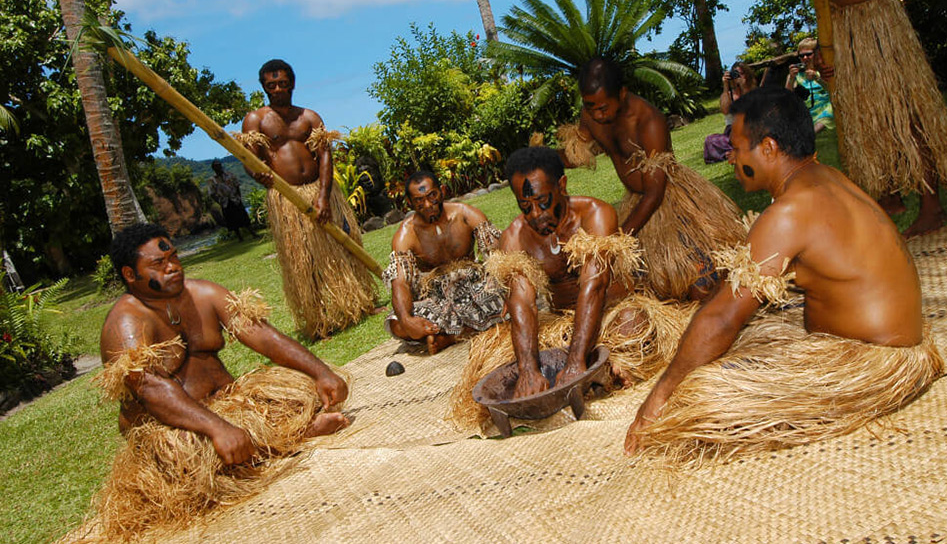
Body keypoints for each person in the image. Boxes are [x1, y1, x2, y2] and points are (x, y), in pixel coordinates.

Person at [624, 87, 942, 461]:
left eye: (738, 147)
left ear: (769, 149)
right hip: (898, 343)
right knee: (741, 340)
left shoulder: (789, 213)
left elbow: (724, 317)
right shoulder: (826, 177)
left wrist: (658, 398)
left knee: (699, 396)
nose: (731, 158)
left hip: (874, 362)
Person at [93, 223, 350, 539]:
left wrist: (320, 371)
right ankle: (285, 438)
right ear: (130, 275)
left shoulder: (204, 294)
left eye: (173, 256)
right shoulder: (126, 324)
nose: (173, 266)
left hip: (230, 404)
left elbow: (263, 336)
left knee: (296, 389)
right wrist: (217, 428)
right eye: (158, 264)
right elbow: (151, 389)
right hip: (178, 432)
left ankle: (270, 440)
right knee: (196, 469)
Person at [448, 147, 695, 431]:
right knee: (498, 357)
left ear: (561, 186)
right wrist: (529, 370)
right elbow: (522, 303)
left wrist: (576, 363)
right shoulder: (515, 236)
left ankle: (605, 364)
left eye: (542, 201)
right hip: (563, 324)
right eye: (525, 206)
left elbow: (595, 285)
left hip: (613, 314)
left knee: (633, 325)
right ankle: (599, 372)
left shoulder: (595, 214)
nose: (536, 214)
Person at [543, 57, 746, 301]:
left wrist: (619, 239)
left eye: (603, 107)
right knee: (644, 288)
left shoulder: (649, 121)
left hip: (671, 203)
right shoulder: (590, 116)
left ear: (622, 93)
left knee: (698, 283)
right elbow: (576, 156)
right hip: (636, 200)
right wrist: (541, 157)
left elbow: (655, 192)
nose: (597, 114)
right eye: (590, 106)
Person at [236, 59, 376, 338]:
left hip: (321, 191)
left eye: (282, 83)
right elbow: (248, 158)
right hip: (287, 198)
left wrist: (323, 196)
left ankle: (360, 303)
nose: (277, 89)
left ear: (293, 83)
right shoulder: (256, 119)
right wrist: (257, 174)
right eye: (271, 84)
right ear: (264, 86)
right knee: (304, 260)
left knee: (343, 246)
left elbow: (325, 156)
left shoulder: (309, 117)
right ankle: (319, 320)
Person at [824, 0, 947, 237]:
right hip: (846, 25)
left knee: (906, 118)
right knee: (869, 117)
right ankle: (889, 194)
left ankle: (932, 207)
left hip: (875, 22)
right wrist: (829, 46)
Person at [383, 170, 505, 354]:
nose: (428, 204)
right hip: (436, 298)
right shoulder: (406, 234)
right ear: (409, 203)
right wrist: (408, 320)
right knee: (396, 325)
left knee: (512, 293)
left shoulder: (465, 214)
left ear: (441, 191)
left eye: (432, 195)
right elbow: (401, 283)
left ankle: (454, 335)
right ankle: (476, 326)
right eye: (419, 200)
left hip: (475, 287)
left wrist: (504, 288)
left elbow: (498, 256)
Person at [704, 62, 759, 163]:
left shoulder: (753, 92)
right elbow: (725, 110)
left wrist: (743, 88)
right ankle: (735, 151)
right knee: (710, 141)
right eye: (736, 74)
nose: (739, 77)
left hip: (751, 128)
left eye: (741, 74)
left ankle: (736, 151)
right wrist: (726, 86)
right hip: (732, 133)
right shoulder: (729, 95)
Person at [784, 38, 834, 133]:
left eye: (809, 54)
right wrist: (791, 79)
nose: (805, 58)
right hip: (806, 112)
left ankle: (811, 133)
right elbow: (787, 99)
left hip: (826, 109)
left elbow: (833, 91)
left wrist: (817, 79)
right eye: (802, 56)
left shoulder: (824, 71)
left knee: (832, 106)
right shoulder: (795, 76)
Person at [208, 159, 257, 241]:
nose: (218, 167)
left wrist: (239, 196)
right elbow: (212, 193)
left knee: (244, 217)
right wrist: (219, 201)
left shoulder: (229, 175)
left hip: (235, 199)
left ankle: (253, 233)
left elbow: (237, 185)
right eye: (216, 166)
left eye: (219, 165)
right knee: (232, 220)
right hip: (225, 202)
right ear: (213, 168)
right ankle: (240, 237)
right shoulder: (212, 180)